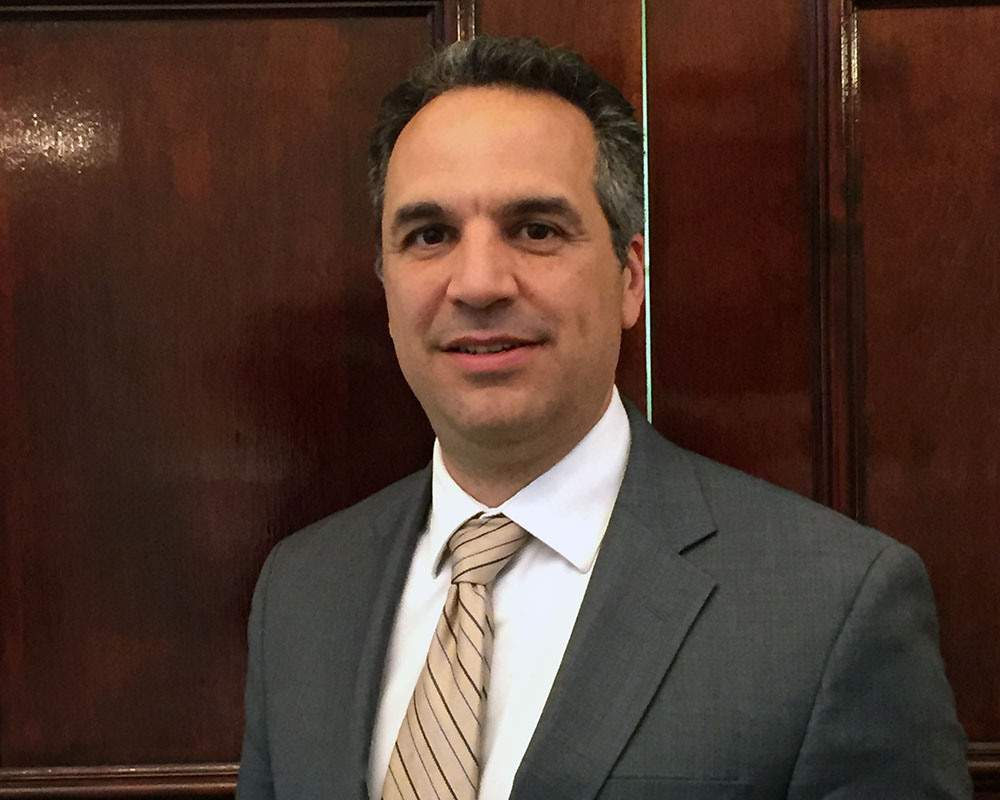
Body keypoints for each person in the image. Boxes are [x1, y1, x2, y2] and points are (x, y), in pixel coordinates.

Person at [236, 36, 972, 800]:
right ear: (386, 284)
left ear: (630, 278)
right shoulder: (301, 592)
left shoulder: (834, 607)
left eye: (536, 229)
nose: (478, 283)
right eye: (431, 235)